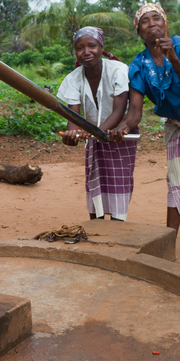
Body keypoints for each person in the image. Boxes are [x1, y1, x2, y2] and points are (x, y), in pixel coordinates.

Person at [110, 3, 180, 231]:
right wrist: (122, 127)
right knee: (176, 183)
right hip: (175, 126)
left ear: (165, 23)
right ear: (139, 31)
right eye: (145, 21)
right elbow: (134, 111)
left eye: (156, 18)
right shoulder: (138, 65)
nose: (152, 23)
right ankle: (169, 241)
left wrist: (173, 58)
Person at [58, 27, 136, 221]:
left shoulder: (118, 70)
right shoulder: (73, 79)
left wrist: (94, 131)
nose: (86, 52)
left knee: (119, 181)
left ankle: (117, 228)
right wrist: (72, 135)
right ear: (75, 52)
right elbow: (73, 118)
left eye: (92, 46)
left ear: (102, 47)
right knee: (95, 180)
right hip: (94, 135)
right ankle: (97, 229)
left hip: (120, 134)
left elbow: (119, 110)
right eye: (80, 48)